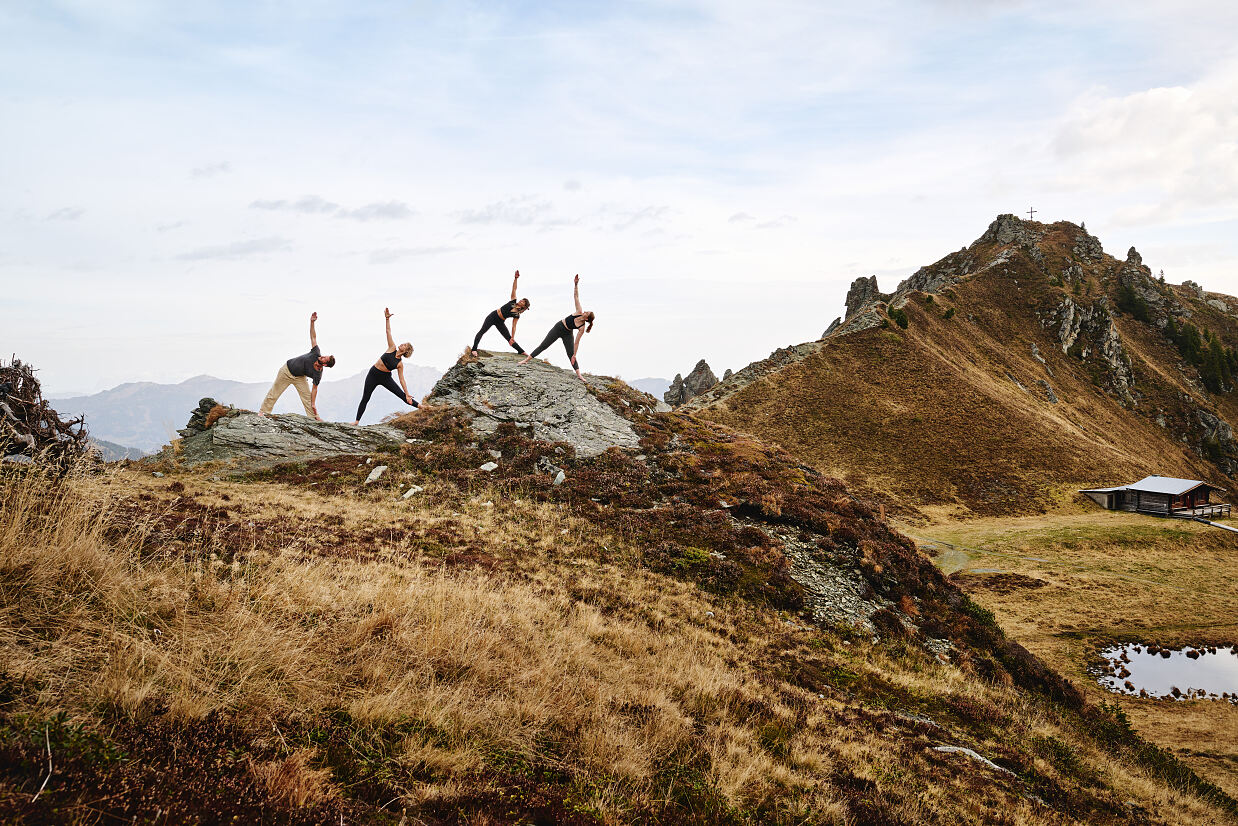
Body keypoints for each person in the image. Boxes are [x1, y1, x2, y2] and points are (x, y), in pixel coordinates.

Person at [259, 312, 336, 420]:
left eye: (325, 359)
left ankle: (313, 419)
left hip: (300, 378)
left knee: (308, 399)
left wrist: (313, 404)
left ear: (324, 364)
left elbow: (314, 389)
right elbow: (313, 337)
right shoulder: (316, 353)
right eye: (324, 356)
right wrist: (312, 322)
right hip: (286, 371)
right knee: (274, 393)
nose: (322, 356)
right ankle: (263, 412)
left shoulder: (318, 374)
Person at [519, 274, 594, 381]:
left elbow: (576, 342)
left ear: (587, 319)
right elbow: (576, 296)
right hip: (558, 328)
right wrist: (576, 284)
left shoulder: (582, 327)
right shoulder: (579, 311)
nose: (585, 311)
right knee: (543, 345)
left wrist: (575, 354)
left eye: (587, 312)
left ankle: (579, 375)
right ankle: (526, 360)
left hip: (567, 333)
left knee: (571, 355)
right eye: (587, 310)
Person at [353, 307, 419, 425]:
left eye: (404, 345)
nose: (401, 344)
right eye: (403, 343)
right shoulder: (392, 348)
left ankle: (421, 406)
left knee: (402, 395)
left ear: (405, 351)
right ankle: (356, 421)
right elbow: (388, 332)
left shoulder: (399, 364)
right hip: (373, 374)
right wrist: (387, 319)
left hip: (385, 378)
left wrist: (407, 393)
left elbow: (401, 379)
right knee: (365, 398)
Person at [471, 269, 530, 356]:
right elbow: (514, 288)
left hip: (500, 322)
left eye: (523, 302)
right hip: (493, 316)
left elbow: (514, 326)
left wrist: (513, 337)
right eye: (522, 299)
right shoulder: (513, 302)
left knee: (509, 339)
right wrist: (516, 278)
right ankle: (474, 349)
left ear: (524, 306)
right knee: (482, 331)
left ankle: (521, 351)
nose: (521, 301)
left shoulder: (517, 314)